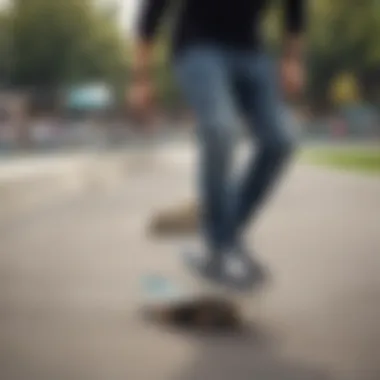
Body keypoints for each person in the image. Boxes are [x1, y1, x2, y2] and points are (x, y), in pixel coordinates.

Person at [129, 0, 306, 291]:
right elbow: (152, 12)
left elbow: (295, 8)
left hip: (251, 52)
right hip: (197, 49)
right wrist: (141, 78)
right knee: (220, 129)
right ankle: (221, 245)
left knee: (280, 139)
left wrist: (292, 59)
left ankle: (224, 239)